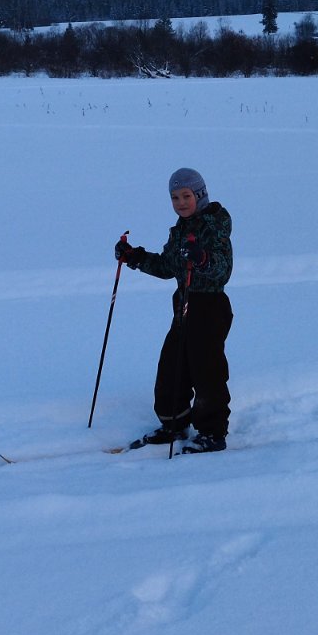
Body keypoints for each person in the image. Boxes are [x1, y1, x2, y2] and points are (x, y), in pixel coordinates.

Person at [115, 167, 233, 453]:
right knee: (171, 367)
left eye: (186, 196)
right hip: (184, 306)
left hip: (209, 306)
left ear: (200, 195)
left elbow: (222, 270)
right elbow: (168, 267)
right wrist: (135, 257)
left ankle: (212, 433)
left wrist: (202, 259)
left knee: (207, 372)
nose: (180, 202)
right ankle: (174, 424)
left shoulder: (214, 226)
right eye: (175, 197)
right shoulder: (181, 229)